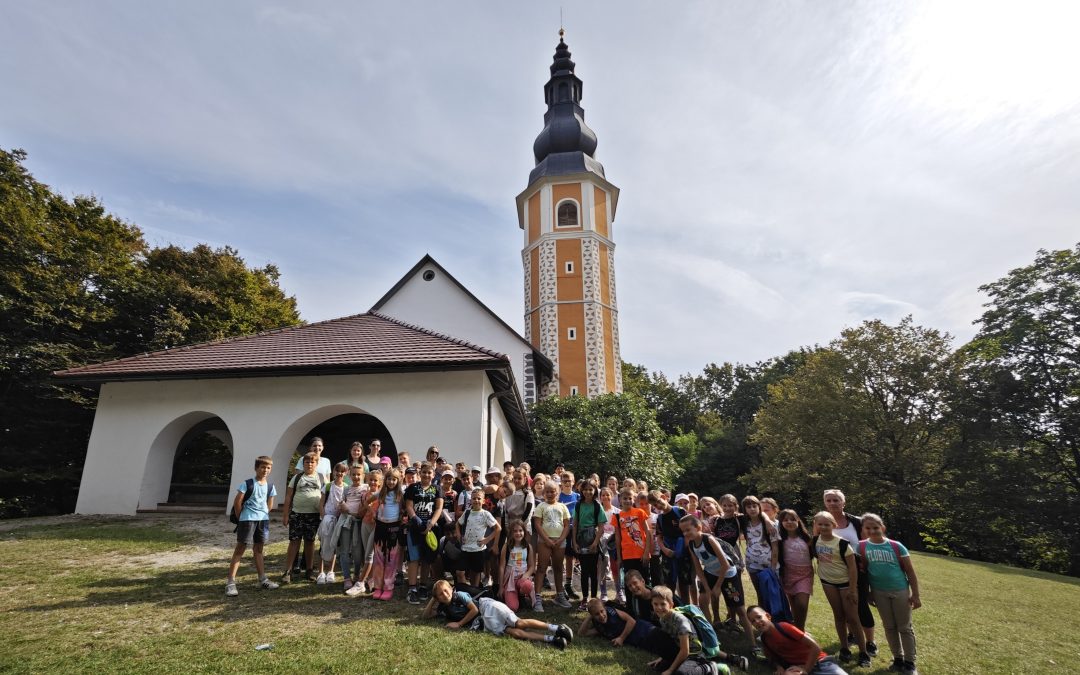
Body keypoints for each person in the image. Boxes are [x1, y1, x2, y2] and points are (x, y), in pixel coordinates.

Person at [422, 580, 574, 649]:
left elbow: (474, 610)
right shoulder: (444, 607)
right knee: (516, 633)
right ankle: (552, 639)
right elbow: (426, 616)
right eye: (440, 595)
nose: (444, 594)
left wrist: (459, 624)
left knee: (519, 623)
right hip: (486, 622)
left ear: (452, 589)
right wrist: (433, 599)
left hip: (488, 607)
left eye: (446, 590)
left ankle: (556, 628)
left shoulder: (459, 595)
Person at [859, 513, 921, 675]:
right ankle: (898, 658)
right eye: (868, 528)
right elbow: (865, 571)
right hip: (879, 592)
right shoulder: (862, 546)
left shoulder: (896, 546)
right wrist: (869, 593)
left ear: (883, 528)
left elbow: (910, 572)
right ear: (864, 529)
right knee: (889, 626)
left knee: (904, 627)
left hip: (900, 590)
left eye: (875, 527)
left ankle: (910, 662)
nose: (872, 531)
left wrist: (915, 595)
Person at [811, 511, 870, 668]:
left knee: (852, 617)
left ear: (834, 525)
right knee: (838, 615)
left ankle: (863, 652)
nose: (823, 527)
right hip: (827, 582)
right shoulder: (815, 541)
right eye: (820, 524)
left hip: (845, 584)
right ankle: (844, 648)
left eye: (827, 524)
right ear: (816, 525)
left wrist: (852, 590)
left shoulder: (843, 543)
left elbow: (852, 568)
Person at [823, 489, 876, 657]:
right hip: (835, 573)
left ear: (843, 503)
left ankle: (870, 642)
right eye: (829, 500)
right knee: (843, 608)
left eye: (836, 500)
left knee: (861, 606)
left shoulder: (856, 522)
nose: (832, 503)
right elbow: (817, 543)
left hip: (857, 571)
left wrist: (866, 566)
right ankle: (852, 635)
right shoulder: (823, 521)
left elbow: (867, 544)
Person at [225, 455, 279, 596]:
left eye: (268, 468)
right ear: (256, 468)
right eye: (263, 467)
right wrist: (240, 516)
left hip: (262, 520)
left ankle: (263, 579)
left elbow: (270, 504)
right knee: (240, 549)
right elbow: (238, 501)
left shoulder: (270, 486)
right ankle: (230, 582)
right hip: (247, 520)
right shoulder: (247, 484)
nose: (265, 470)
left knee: (259, 549)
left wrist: (264, 513)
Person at [747, 605, 849, 675]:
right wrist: (779, 667)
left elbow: (816, 647)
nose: (757, 622)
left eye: (759, 617)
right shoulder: (765, 639)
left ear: (768, 616)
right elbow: (771, 658)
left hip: (820, 663)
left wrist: (806, 669)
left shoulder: (785, 627)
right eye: (753, 621)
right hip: (796, 668)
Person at [647, 585, 719, 675]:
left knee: (681, 673)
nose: (659, 608)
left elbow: (685, 651)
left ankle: (710, 667)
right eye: (655, 604)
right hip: (679, 650)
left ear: (671, 605)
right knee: (654, 633)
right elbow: (669, 640)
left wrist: (670, 670)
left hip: (694, 655)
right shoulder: (662, 618)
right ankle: (672, 663)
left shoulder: (680, 621)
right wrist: (661, 658)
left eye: (663, 604)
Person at [281, 452, 326, 583]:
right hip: (297, 513)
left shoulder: (322, 478)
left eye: (312, 462)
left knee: (310, 541)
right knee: (294, 541)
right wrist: (285, 515)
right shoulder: (297, 477)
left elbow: (326, 495)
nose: (309, 464)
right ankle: (288, 571)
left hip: (313, 515)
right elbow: (288, 496)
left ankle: (309, 569)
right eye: (307, 462)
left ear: (316, 464)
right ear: (303, 463)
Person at [404, 462, 444, 604]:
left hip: (430, 529)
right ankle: (412, 588)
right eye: (424, 472)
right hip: (415, 528)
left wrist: (431, 523)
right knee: (414, 558)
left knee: (427, 558)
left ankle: (423, 586)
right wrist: (415, 519)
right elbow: (408, 505)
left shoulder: (437, 488)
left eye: (429, 473)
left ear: (433, 475)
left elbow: (439, 508)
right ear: (420, 473)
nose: (426, 475)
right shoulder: (412, 488)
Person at [533, 479, 572, 609]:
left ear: (558, 492)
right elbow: (537, 524)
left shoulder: (562, 507)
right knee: (541, 568)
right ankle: (537, 598)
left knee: (558, 568)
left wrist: (561, 539)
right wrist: (547, 539)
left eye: (553, 491)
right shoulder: (541, 506)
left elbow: (567, 525)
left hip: (559, 542)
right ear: (544, 493)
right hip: (544, 541)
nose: (550, 494)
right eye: (547, 492)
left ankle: (559, 595)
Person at [650, 491, 692, 604]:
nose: (658, 506)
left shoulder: (680, 511)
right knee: (669, 586)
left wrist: (686, 546)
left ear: (664, 497)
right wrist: (664, 549)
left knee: (684, 586)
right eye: (655, 505)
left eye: (659, 501)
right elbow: (659, 536)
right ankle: (671, 611)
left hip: (684, 552)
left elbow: (690, 529)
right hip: (668, 554)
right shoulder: (660, 518)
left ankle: (688, 611)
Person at [369, 468, 405, 600]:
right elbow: (368, 501)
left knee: (391, 559)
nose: (391, 482)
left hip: (394, 528)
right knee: (378, 558)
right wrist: (373, 513)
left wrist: (403, 517)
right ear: (385, 480)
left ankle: (388, 587)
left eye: (394, 479)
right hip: (380, 527)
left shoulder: (401, 494)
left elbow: (405, 508)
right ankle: (378, 586)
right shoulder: (381, 493)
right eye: (389, 479)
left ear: (398, 481)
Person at [572, 480, 607, 610]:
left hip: (593, 539)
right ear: (581, 491)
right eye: (585, 489)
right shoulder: (578, 505)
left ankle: (593, 597)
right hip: (581, 539)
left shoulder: (597, 506)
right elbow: (575, 524)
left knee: (593, 570)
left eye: (590, 489)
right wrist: (574, 542)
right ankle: (585, 598)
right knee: (584, 571)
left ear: (595, 491)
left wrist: (595, 543)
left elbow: (601, 527)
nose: (588, 492)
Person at [777, 509, 814, 629]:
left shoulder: (806, 538)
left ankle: (801, 629)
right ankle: (796, 629)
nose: (789, 522)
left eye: (792, 519)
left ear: (798, 520)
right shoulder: (780, 540)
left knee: (802, 605)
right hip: (787, 574)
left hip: (805, 575)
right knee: (793, 605)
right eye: (785, 520)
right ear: (781, 523)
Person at [349, 469, 383, 596]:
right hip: (365, 524)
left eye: (375, 480)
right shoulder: (365, 495)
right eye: (371, 480)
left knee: (370, 553)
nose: (373, 482)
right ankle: (370, 579)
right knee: (367, 553)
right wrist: (366, 507)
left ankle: (362, 582)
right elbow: (360, 512)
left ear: (380, 482)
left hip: (376, 526)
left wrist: (374, 512)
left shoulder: (381, 495)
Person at [334, 464, 367, 593]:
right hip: (346, 522)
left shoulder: (366, 487)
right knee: (344, 550)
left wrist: (359, 513)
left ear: (363, 475)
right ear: (349, 475)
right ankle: (346, 577)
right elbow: (341, 503)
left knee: (358, 551)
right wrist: (343, 507)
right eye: (353, 474)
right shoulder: (346, 489)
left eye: (359, 474)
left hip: (360, 523)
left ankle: (357, 574)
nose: (356, 477)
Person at [742, 496, 780, 604]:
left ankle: (777, 618)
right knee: (760, 594)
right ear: (745, 509)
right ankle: (762, 617)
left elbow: (775, 547)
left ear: (759, 507)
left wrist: (773, 567)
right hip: (752, 565)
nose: (752, 509)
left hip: (768, 566)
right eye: (749, 507)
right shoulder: (744, 522)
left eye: (754, 506)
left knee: (773, 594)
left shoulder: (769, 525)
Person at [459, 487, 501, 587]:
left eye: (479, 498)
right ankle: (464, 592)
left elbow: (498, 528)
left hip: (478, 549)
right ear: (471, 500)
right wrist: (459, 536)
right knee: (460, 572)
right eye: (474, 498)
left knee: (476, 573)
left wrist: (487, 539)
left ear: (483, 500)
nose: (476, 500)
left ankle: (474, 592)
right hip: (465, 548)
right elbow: (458, 524)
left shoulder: (486, 514)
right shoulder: (467, 512)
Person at [316, 462, 348, 584]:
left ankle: (331, 571)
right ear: (334, 472)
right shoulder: (328, 486)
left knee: (334, 544)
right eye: (337, 471)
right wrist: (323, 516)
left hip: (338, 519)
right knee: (323, 543)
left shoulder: (346, 487)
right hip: (327, 518)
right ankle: (321, 572)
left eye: (342, 471)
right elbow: (321, 502)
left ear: (345, 473)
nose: (339, 473)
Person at [615, 487, 653, 582]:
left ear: (634, 499)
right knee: (629, 581)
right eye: (625, 498)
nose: (627, 501)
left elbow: (648, 532)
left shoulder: (640, 512)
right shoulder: (617, 516)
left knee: (644, 580)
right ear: (620, 500)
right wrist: (619, 557)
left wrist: (646, 552)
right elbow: (617, 537)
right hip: (626, 554)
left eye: (630, 498)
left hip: (641, 554)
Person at [500, 519, 537, 612]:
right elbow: (501, 567)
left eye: (520, 530)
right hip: (510, 582)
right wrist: (500, 587)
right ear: (511, 533)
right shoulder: (507, 546)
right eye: (515, 531)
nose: (518, 533)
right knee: (513, 608)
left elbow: (532, 566)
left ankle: (521, 595)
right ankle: (510, 595)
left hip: (522, 578)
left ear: (524, 531)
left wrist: (526, 575)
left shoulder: (528, 547)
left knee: (528, 586)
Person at [557, 470, 581, 601]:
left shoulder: (577, 497)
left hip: (573, 531)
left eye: (569, 480)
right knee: (560, 558)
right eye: (564, 480)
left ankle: (568, 584)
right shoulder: (558, 497)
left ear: (573, 482)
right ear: (561, 482)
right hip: (560, 531)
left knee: (570, 558)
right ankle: (560, 587)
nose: (567, 483)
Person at [599, 486, 622, 602]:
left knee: (616, 567)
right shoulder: (598, 511)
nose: (605, 497)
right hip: (601, 541)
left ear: (612, 496)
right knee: (602, 566)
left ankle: (619, 592)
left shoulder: (617, 512)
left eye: (607, 495)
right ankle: (603, 592)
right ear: (600, 497)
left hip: (614, 542)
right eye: (603, 495)